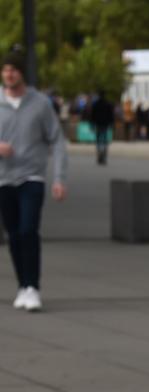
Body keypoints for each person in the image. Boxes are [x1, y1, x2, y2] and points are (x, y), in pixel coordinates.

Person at [0, 54, 67, 313]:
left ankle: (33, 287)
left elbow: (57, 140)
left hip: (32, 177)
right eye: (5, 70)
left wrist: (59, 178)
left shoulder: (39, 104)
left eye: (14, 70)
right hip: (4, 179)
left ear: (22, 74)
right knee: (14, 234)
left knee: (29, 230)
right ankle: (22, 286)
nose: (9, 74)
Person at [89, 90, 114, 164]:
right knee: (104, 140)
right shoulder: (108, 104)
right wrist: (111, 124)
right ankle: (104, 155)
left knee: (98, 140)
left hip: (98, 123)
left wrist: (92, 124)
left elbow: (92, 115)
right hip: (105, 124)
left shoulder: (95, 104)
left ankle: (99, 154)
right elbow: (111, 115)